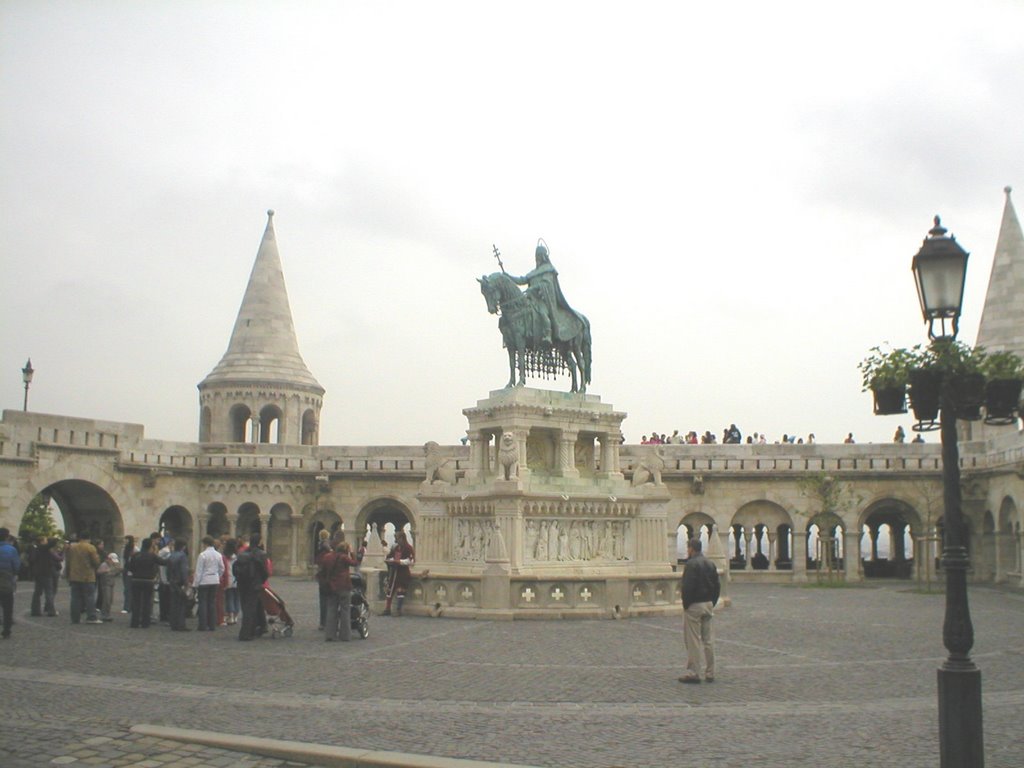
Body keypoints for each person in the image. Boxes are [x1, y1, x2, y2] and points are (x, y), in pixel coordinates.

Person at [509, 239, 581, 347]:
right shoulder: (533, 272)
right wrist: (508, 277)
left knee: (543, 314)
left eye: (538, 256)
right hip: (530, 300)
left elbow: (546, 284)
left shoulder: (548, 269)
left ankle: (547, 334)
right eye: (536, 257)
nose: (536, 259)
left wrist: (534, 288)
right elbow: (522, 280)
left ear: (542, 256)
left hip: (542, 300)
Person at [678, 538, 720, 684]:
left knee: (693, 640)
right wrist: (712, 602)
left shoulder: (691, 564)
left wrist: (686, 605)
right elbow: (717, 585)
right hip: (708, 604)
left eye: (687, 547)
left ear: (691, 548)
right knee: (708, 640)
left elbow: (687, 587)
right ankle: (710, 672)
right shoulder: (710, 563)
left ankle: (694, 672)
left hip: (695, 605)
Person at [318, 539, 357, 641]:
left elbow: (322, 569)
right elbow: (355, 563)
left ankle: (330, 635)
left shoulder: (327, 557)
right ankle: (345, 635)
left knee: (331, 610)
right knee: (345, 610)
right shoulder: (344, 557)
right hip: (343, 586)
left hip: (331, 586)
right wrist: (352, 553)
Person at [234, 533, 269, 641]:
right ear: (259, 542)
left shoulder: (242, 553)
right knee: (250, 609)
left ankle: (258, 628)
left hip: (242, 583)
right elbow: (264, 571)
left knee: (248, 607)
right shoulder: (261, 554)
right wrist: (262, 580)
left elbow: (235, 568)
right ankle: (245, 633)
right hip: (254, 584)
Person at [66, 534, 103, 625]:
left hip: (74, 576)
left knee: (75, 598)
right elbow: (96, 562)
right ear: (88, 538)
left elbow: (68, 561)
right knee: (89, 597)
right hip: (87, 576)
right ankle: (91, 617)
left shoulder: (72, 547)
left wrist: (68, 574)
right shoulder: (90, 548)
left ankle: (75, 618)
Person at [127, 538, 161, 628]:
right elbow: (162, 562)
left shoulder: (136, 555)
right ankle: (145, 622)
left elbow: (130, 567)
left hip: (136, 580)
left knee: (136, 602)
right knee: (147, 602)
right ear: (150, 546)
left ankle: (134, 622)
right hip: (148, 580)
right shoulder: (152, 556)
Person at [192, 536, 223, 631]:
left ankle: (202, 624)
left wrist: (195, 584)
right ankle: (212, 624)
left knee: (203, 603)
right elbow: (222, 568)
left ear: (205, 544)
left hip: (204, 580)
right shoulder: (218, 555)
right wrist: (218, 576)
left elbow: (199, 571)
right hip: (214, 579)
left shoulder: (202, 555)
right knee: (212, 602)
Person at [383, 530, 415, 616]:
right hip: (394, 573)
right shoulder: (396, 548)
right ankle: (387, 609)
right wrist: (389, 560)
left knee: (400, 591)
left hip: (403, 573)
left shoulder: (408, 548)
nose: (396, 540)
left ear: (402, 538)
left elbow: (410, 560)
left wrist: (399, 561)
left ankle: (398, 610)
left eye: (397, 538)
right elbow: (390, 557)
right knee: (390, 590)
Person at [29, 535, 59, 617]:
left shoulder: (35, 549)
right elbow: (51, 544)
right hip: (46, 572)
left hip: (38, 573)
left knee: (37, 592)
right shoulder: (43, 548)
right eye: (45, 540)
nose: (46, 542)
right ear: (42, 541)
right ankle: (51, 611)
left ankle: (35, 610)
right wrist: (56, 538)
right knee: (49, 592)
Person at [166, 538, 191, 631]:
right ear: (183, 547)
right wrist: (186, 582)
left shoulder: (171, 555)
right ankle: (180, 624)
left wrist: (169, 579)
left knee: (174, 604)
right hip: (180, 581)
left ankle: (173, 623)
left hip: (172, 581)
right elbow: (183, 570)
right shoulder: (182, 556)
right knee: (181, 604)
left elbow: (168, 570)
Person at [0, 528, 21, 639]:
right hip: (6, 578)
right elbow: (16, 565)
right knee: (7, 605)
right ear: (7, 536)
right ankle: (6, 629)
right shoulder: (11, 549)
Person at [96, 552, 122, 622]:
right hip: (105, 584)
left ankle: (107, 614)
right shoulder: (104, 565)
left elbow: (115, 573)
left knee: (110, 600)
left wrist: (118, 570)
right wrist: (105, 571)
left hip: (111, 583)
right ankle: (104, 614)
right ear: (108, 559)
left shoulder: (113, 565)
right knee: (106, 599)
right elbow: (98, 572)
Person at [120, 535, 136, 613]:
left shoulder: (135, 549)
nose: (125, 541)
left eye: (126, 540)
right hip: (126, 570)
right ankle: (129, 606)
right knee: (127, 589)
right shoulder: (124, 549)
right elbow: (122, 558)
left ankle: (128, 607)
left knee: (129, 589)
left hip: (131, 570)